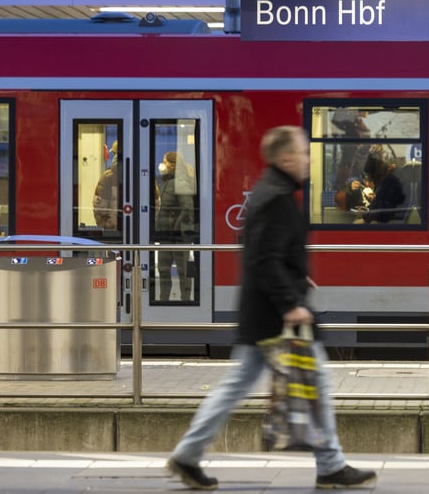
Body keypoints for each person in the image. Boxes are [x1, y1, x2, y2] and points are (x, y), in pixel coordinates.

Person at [166, 125, 376, 491]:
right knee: (318, 384)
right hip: (278, 317)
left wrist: (298, 278)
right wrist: (291, 303)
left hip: (264, 314)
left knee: (235, 387)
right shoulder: (276, 198)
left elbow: (270, 254)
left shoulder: (270, 192)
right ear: (286, 158)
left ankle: (187, 454)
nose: (310, 159)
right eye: (304, 153)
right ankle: (330, 465)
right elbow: (265, 259)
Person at [155, 151, 196, 302]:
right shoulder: (166, 181)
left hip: (177, 238)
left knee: (183, 272)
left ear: (172, 166)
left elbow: (187, 208)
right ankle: (163, 301)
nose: (162, 165)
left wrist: (177, 230)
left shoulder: (180, 183)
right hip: (165, 236)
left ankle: (185, 302)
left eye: (164, 162)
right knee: (164, 271)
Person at [358, 154, 406, 224]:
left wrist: (366, 216)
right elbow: (379, 203)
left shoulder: (389, 182)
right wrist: (369, 209)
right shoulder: (386, 180)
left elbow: (384, 213)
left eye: (370, 177)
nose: (370, 181)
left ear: (375, 174)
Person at [92, 141, 122, 230]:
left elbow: (100, 210)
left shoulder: (107, 177)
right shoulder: (144, 178)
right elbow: (155, 205)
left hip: (113, 233)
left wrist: (108, 228)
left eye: (114, 154)